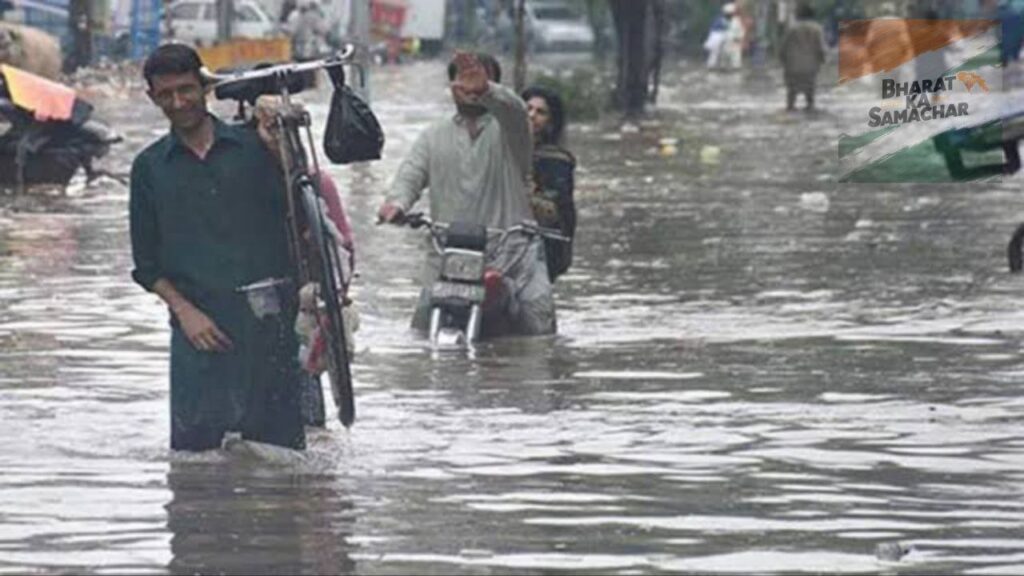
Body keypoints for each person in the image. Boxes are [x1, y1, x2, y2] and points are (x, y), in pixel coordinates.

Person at [129, 44, 305, 451]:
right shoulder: (150, 167)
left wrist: (280, 150)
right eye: (166, 94)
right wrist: (186, 312)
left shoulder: (255, 148)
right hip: (200, 335)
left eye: (187, 89)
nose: (179, 102)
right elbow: (147, 266)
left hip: (271, 327)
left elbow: (304, 216)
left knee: (282, 463)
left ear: (205, 87)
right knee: (195, 470)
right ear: (152, 97)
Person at [378, 52, 556, 337]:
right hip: (449, 257)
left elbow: (514, 110)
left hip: (513, 255)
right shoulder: (433, 135)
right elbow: (410, 174)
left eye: (480, 81)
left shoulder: (513, 132)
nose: (470, 89)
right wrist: (395, 204)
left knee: (539, 331)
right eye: (463, 81)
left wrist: (487, 92)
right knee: (420, 331)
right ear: (452, 86)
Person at [521, 86, 576, 282]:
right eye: (527, 109)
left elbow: (562, 211)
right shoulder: (497, 150)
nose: (532, 115)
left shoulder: (557, 160)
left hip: (536, 246)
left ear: (551, 123)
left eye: (540, 112)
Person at [780, 3, 827, 112]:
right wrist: (823, 60)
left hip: (792, 66)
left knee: (791, 94)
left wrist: (783, 61)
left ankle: (790, 109)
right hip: (811, 67)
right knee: (810, 94)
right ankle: (809, 109)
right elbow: (821, 47)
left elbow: (783, 47)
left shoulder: (792, 29)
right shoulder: (817, 29)